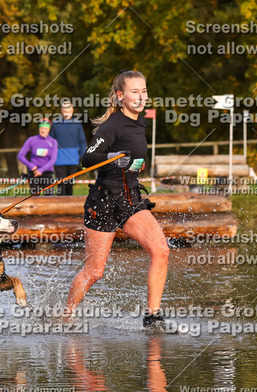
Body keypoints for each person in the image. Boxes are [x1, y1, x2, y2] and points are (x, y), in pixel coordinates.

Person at [64, 70, 170, 328]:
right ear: (121, 96)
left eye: (144, 91)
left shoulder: (140, 122)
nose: (141, 97)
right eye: (135, 92)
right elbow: (88, 158)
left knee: (161, 250)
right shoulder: (111, 125)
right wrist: (111, 157)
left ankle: (152, 318)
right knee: (94, 272)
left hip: (131, 199)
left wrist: (130, 166)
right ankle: (65, 317)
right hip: (103, 202)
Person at [50, 101, 87, 195]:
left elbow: (82, 141)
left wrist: (84, 156)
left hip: (73, 160)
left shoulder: (77, 124)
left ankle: (69, 203)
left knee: (70, 184)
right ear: (61, 111)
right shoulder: (55, 124)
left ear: (72, 110)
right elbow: (50, 141)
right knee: (61, 184)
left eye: (69, 111)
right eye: (65, 111)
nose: (67, 113)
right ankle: (60, 203)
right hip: (58, 160)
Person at [17, 118, 58, 195]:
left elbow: (53, 159)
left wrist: (41, 170)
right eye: (41, 128)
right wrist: (30, 165)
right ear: (39, 129)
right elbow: (20, 155)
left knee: (49, 197)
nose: (43, 130)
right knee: (34, 198)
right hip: (34, 173)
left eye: (46, 128)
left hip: (47, 173)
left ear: (49, 130)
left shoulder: (53, 142)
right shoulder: (31, 140)